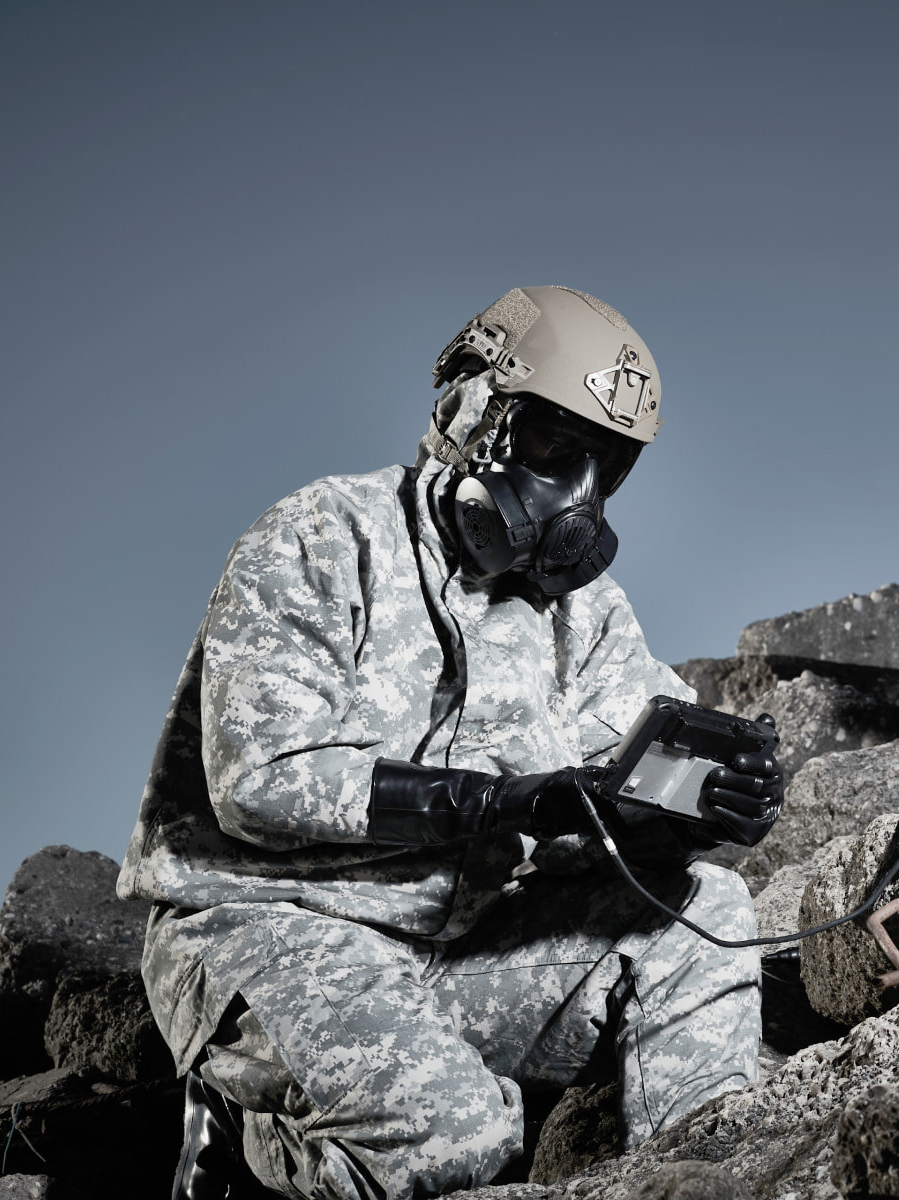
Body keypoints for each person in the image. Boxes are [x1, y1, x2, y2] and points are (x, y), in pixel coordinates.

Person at [116, 285, 784, 1200]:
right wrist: (505, 801)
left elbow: (624, 777)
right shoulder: (321, 536)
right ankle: (245, 1141)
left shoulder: (583, 618)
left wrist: (702, 810)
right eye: (558, 447)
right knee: (459, 1139)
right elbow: (258, 780)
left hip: (454, 951)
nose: (578, 497)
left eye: (608, 467)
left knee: (707, 907)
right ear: (470, 409)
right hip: (268, 932)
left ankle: (693, 1178)